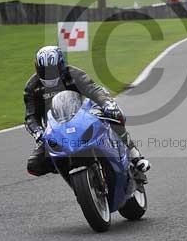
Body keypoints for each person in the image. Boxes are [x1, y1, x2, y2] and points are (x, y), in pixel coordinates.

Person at [24, 45, 151, 179]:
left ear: (61, 66)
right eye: (44, 71)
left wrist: (107, 104)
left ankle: (134, 155)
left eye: (52, 70)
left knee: (115, 115)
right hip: (56, 130)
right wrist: (38, 132)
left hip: (82, 117)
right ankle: (65, 166)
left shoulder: (74, 74)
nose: (49, 74)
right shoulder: (32, 87)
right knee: (34, 166)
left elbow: (94, 90)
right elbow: (30, 116)